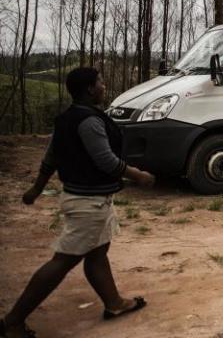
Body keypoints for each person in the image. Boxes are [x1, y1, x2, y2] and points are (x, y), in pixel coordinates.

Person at [1, 68, 155, 338]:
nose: (104, 85)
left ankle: (114, 303)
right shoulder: (89, 121)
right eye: (100, 82)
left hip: (87, 199)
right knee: (63, 261)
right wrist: (138, 175)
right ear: (89, 89)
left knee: (97, 252)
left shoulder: (67, 119)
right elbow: (105, 160)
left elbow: (51, 157)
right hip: (88, 203)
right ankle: (13, 321)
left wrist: (36, 189)